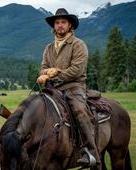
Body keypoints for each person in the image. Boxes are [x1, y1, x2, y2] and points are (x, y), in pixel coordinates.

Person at [37, 8, 101, 169]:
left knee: (79, 110)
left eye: (63, 22)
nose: (60, 25)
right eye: (57, 22)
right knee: (34, 108)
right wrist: (45, 73)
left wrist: (56, 73)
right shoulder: (49, 48)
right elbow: (43, 67)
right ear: (54, 26)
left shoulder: (78, 45)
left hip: (74, 87)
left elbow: (77, 70)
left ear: (70, 25)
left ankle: (91, 152)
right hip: (52, 88)